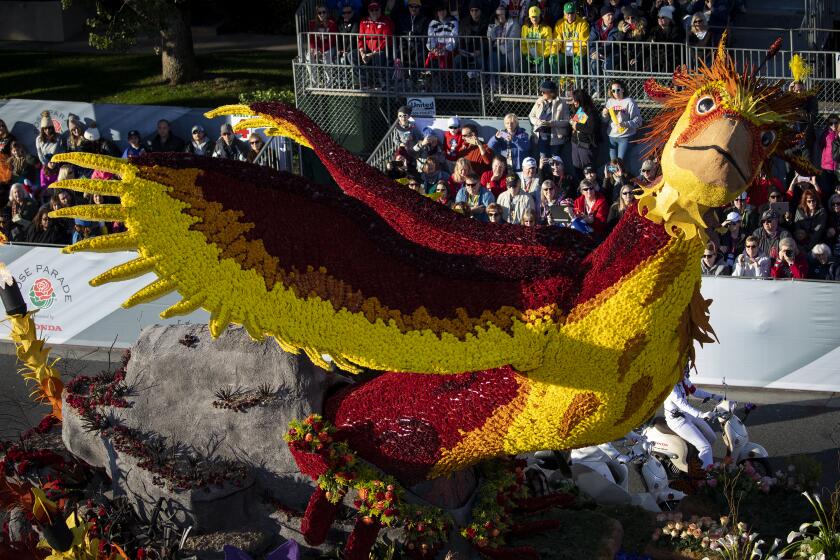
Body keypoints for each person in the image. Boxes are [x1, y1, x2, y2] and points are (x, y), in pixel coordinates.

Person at [663, 364, 723, 471]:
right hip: (677, 420)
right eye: (684, 369)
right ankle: (704, 477)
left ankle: (698, 460)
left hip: (686, 414)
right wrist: (702, 414)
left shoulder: (682, 380)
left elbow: (695, 391)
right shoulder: (671, 386)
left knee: (712, 437)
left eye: (686, 369)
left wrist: (714, 396)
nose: (686, 372)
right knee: (705, 447)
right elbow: (682, 404)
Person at [601, 80, 642, 161]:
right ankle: (614, 174)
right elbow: (605, 121)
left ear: (623, 89)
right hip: (611, 136)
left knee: (622, 163)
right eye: (613, 91)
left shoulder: (629, 102)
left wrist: (625, 124)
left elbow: (638, 120)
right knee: (613, 164)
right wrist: (604, 114)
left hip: (625, 136)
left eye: (618, 90)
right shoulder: (610, 102)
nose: (616, 92)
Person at [528, 80, 569, 160]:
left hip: (556, 137)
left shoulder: (562, 103)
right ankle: (542, 172)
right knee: (543, 159)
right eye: (541, 92)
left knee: (555, 160)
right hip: (542, 135)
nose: (542, 94)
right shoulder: (539, 101)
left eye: (544, 92)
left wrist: (552, 123)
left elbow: (566, 122)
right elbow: (531, 116)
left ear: (551, 92)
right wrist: (539, 122)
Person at [357, 2, 394, 89]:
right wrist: (362, 52)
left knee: (379, 56)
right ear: (369, 11)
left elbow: (386, 40)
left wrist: (373, 53)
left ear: (380, 10)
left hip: (381, 50)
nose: (374, 12)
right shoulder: (363, 21)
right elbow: (360, 39)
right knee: (351, 55)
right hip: (367, 51)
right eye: (372, 10)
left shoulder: (386, 21)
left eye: (376, 10)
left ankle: (379, 82)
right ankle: (364, 81)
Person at [569, 89, 601, 180]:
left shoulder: (590, 111)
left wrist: (576, 126)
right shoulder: (580, 110)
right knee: (576, 168)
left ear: (581, 99)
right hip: (576, 143)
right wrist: (573, 123)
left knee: (588, 170)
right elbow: (574, 125)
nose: (573, 102)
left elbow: (591, 128)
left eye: (575, 100)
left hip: (586, 146)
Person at [554, 2, 589, 75]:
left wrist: (579, 54)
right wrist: (553, 53)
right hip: (564, 53)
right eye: (568, 13)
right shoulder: (560, 23)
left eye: (572, 13)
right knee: (554, 60)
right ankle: (555, 83)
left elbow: (584, 43)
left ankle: (579, 85)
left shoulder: (583, 24)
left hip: (577, 53)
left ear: (575, 12)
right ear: (564, 12)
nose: (570, 16)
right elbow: (557, 41)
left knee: (579, 62)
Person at [307, 5, 338, 86]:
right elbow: (311, 38)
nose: (322, 14)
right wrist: (315, 48)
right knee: (309, 56)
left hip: (329, 47)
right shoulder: (312, 23)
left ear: (327, 13)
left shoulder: (332, 24)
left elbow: (332, 40)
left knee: (326, 56)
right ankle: (314, 82)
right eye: (319, 12)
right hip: (317, 48)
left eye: (324, 12)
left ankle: (329, 81)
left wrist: (322, 50)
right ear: (317, 14)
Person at [397, 0, 429, 76]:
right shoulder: (403, 18)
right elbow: (400, 32)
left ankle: (418, 78)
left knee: (420, 53)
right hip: (405, 45)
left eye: (416, 7)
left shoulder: (424, 19)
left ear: (420, 8)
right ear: (408, 7)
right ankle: (402, 79)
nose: (414, 8)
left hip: (418, 45)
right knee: (399, 52)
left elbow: (424, 35)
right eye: (411, 6)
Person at [520, 6, 555, 74]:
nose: (534, 18)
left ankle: (542, 83)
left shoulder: (547, 29)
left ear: (540, 16)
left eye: (536, 16)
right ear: (529, 17)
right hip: (530, 56)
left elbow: (549, 46)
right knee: (522, 64)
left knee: (544, 66)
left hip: (542, 57)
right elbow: (523, 44)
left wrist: (543, 56)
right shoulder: (525, 28)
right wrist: (527, 54)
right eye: (532, 17)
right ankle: (524, 82)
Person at [457, 0, 488, 73]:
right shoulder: (464, 22)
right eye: (472, 10)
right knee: (457, 61)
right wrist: (462, 50)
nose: (474, 12)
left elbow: (488, 40)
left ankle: (483, 81)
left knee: (481, 62)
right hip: (467, 51)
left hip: (481, 52)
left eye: (476, 10)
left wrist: (480, 50)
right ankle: (460, 83)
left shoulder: (486, 21)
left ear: (480, 11)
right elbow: (461, 38)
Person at [588, 5, 618, 82]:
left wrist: (599, 51)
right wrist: (594, 52)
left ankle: (609, 88)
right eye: (608, 15)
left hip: (611, 52)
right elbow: (591, 42)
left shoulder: (616, 26)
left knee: (607, 64)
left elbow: (611, 42)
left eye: (612, 14)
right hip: (598, 52)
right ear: (603, 17)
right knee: (594, 64)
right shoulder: (595, 26)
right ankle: (596, 89)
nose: (611, 17)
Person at [487, 6, 521, 74]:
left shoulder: (514, 24)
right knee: (492, 56)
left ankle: (495, 80)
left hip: (510, 53)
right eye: (498, 15)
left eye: (502, 14)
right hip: (497, 52)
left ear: (506, 14)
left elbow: (512, 43)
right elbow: (490, 38)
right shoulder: (495, 25)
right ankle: (494, 81)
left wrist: (499, 49)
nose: (500, 17)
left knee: (494, 57)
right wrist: (491, 27)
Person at [426, 3, 459, 71]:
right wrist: (433, 49)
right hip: (437, 48)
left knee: (444, 58)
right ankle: (428, 76)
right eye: (439, 11)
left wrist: (445, 48)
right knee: (430, 58)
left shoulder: (453, 22)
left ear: (447, 11)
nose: (442, 12)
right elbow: (431, 38)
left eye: (443, 10)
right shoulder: (433, 23)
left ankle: (445, 77)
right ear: (437, 12)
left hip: (449, 49)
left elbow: (454, 38)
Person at [816, 115, 840, 199]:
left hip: (838, 167)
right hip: (827, 167)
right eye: (831, 123)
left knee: (837, 189)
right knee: (827, 190)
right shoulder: (826, 134)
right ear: (828, 124)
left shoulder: (839, 133)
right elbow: (820, 145)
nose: (833, 125)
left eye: (836, 122)